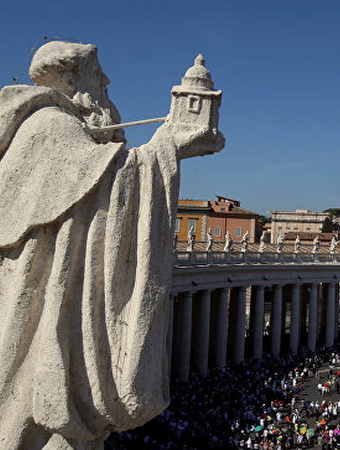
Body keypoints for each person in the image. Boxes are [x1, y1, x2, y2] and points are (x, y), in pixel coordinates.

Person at [0, 41, 224, 448]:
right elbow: (107, 185)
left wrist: (164, 149)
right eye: (97, 73)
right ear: (71, 78)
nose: (106, 81)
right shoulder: (50, 125)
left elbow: (97, 180)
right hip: (39, 311)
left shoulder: (66, 127)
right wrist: (167, 147)